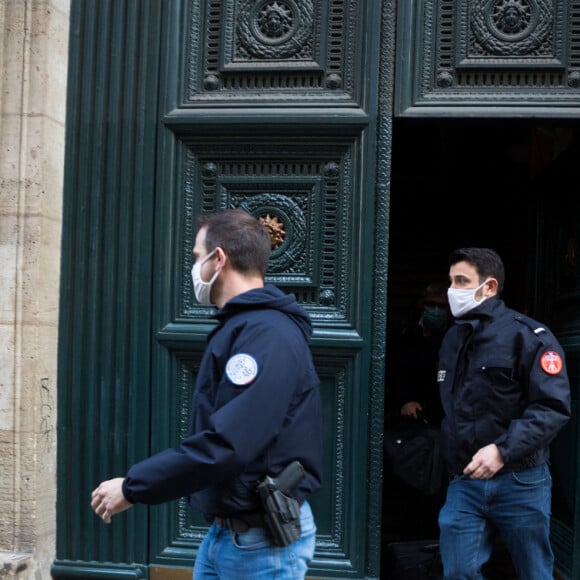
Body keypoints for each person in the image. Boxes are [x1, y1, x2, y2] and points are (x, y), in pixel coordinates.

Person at [90, 208, 323, 580]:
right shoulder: (245, 327)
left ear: (219, 259)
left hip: (261, 543)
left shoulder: (266, 335)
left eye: (198, 257)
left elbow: (229, 444)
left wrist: (134, 487)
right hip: (227, 534)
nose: (194, 268)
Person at [437, 247, 571, 579]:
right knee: (457, 572)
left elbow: (552, 407)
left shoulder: (529, 337)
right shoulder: (453, 338)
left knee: (534, 572)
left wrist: (502, 449)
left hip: (521, 479)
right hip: (465, 480)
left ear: (490, 287)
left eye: (462, 281)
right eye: (451, 281)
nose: (452, 290)